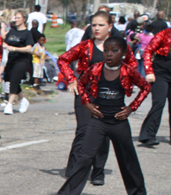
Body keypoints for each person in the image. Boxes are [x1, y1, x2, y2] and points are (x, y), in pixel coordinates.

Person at [52, 36, 150, 195]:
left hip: (119, 122)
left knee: (128, 162)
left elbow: (145, 87)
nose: (109, 54)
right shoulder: (95, 69)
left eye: (115, 51)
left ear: (123, 53)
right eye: (106, 50)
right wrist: (87, 104)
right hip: (98, 121)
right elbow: (81, 84)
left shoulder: (128, 71)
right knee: (84, 159)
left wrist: (131, 108)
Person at [59, 10, 138, 184]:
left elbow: (132, 64)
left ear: (110, 26)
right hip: (85, 93)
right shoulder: (85, 46)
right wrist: (71, 79)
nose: (96, 28)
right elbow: (63, 59)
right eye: (94, 25)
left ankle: (98, 171)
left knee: (104, 133)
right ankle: (73, 170)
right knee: (83, 130)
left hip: (109, 95)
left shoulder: (119, 46)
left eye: (101, 25)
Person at [138, 23, 171, 146]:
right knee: (159, 103)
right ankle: (148, 135)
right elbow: (147, 51)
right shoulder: (164, 34)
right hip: (161, 73)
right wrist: (149, 71)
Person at [2, 10, 34, 115]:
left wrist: (14, 49)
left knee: (14, 79)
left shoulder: (27, 33)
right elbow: (5, 41)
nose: (15, 19)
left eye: (18, 17)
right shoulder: (12, 31)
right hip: (11, 59)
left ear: (24, 19)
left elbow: (28, 48)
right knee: (10, 79)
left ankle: (9, 104)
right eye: (15, 17)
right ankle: (23, 100)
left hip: (22, 60)